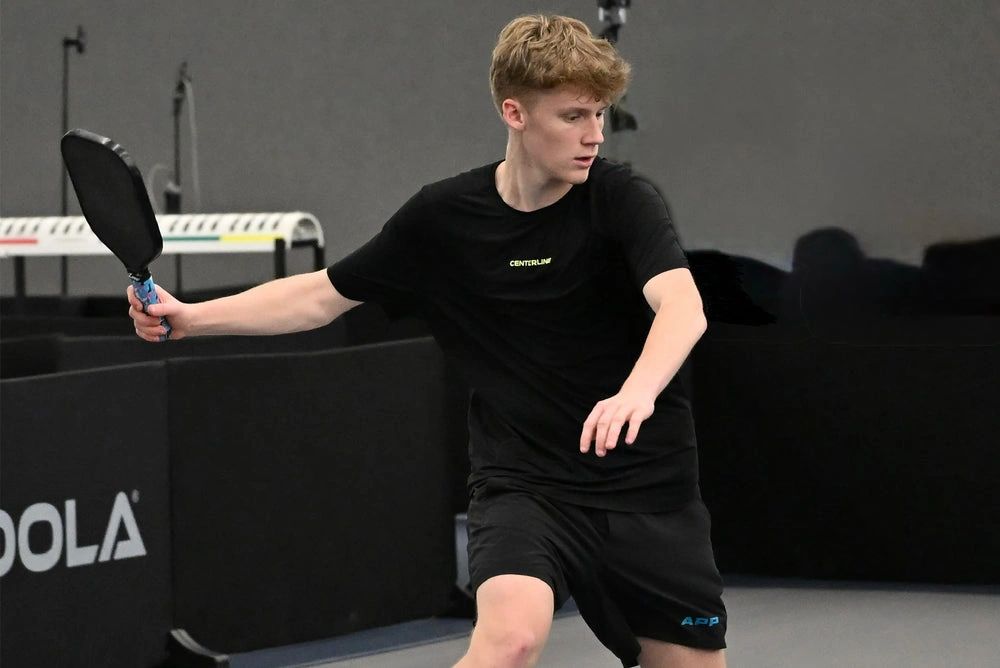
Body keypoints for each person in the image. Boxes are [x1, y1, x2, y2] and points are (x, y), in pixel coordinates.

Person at [128, 14, 727, 668]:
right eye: (574, 116)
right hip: (527, 487)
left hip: (649, 489)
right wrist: (192, 317)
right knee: (509, 639)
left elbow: (683, 304)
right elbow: (319, 296)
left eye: (601, 114)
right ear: (515, 112)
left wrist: (637, 392)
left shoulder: (623, 200)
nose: (594, 135)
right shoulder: (445, 219)